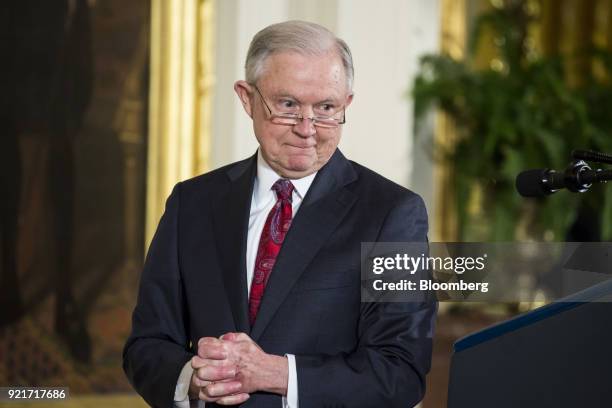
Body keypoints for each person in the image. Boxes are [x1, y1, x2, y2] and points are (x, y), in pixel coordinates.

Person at [123, 20, 436, 408]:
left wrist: (279, 374)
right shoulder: (193, 203)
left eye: (325, 108)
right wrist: (193, 378)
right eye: (288, 105)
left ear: (346, 105)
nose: (308, 129)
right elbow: (146, 345)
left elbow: (400, 371)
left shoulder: (392, 214)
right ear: (247, 98)